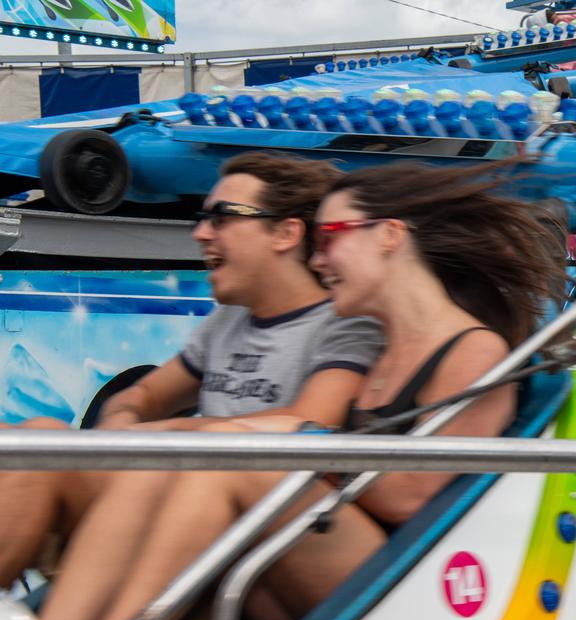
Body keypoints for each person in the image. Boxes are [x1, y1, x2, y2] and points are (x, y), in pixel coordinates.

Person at [42, 161, 567, 620]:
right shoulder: (384, 349)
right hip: (314, 553)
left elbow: (411, 494)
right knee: (170, 466)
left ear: (388, 236)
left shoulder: (471, 350)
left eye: (330, 240)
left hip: (406, 582)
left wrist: (304, 445)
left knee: (233, 460)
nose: (317, 262)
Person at [0, 152, 383, 597]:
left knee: (43, 455)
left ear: (286, 233)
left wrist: (164, 435)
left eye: (222, 217)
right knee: (34, 439)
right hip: (181, 509)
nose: (200, 232)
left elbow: (308, 427)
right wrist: (122, 427)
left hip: (264, 535)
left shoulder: (343, 325)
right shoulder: (227, 322)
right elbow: (139, 398)